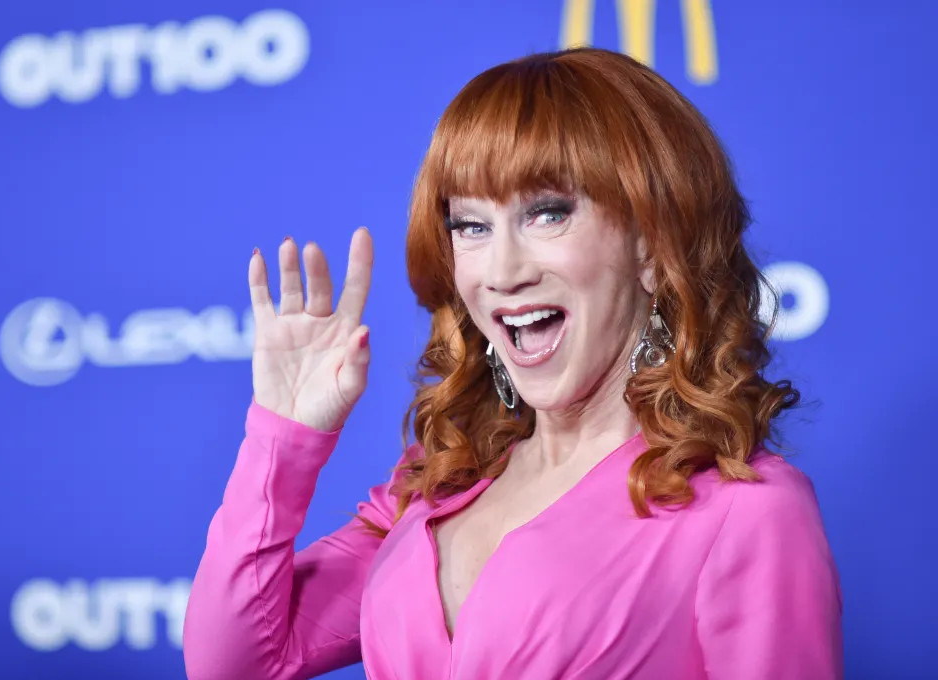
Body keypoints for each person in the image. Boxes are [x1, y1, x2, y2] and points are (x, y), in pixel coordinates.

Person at [182, 47, 843, 679]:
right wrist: (283, 436)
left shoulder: (748, 512)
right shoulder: (439, 483)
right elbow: (234, 663)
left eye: (547, 214)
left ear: (652, 244)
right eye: (471, 226)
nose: (501, 271)